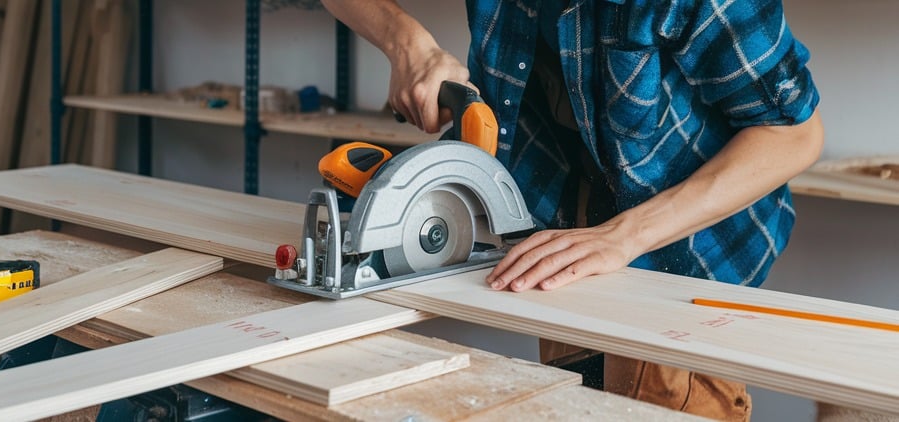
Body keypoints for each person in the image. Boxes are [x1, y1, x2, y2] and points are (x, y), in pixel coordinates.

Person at [321, 0, 824, 420]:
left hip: (686, 254)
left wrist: (622, 237)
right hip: (559, 235)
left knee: (659, 400)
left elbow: (796, 135)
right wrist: (407, 43)